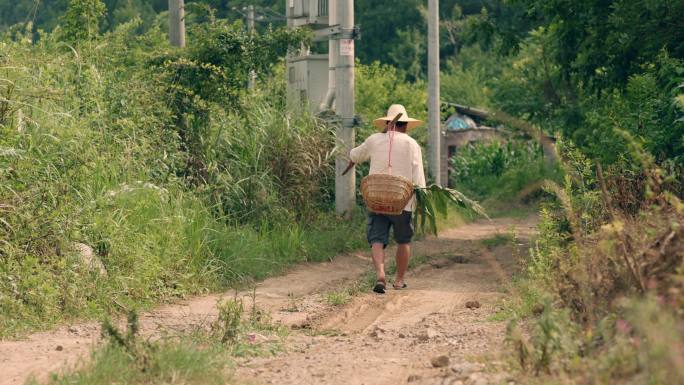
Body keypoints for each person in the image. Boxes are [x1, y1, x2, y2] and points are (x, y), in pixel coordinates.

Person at [349, 104, 426, 294]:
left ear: (387, 123)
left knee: (377, 238)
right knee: (403, 240)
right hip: (403, 202)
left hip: (377, 200)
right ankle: (399, 280)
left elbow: (354, 155)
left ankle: (380, 275)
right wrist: (419, 200)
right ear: (404, 125)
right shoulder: (411, 144)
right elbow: (418, 177)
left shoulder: (374, 140)